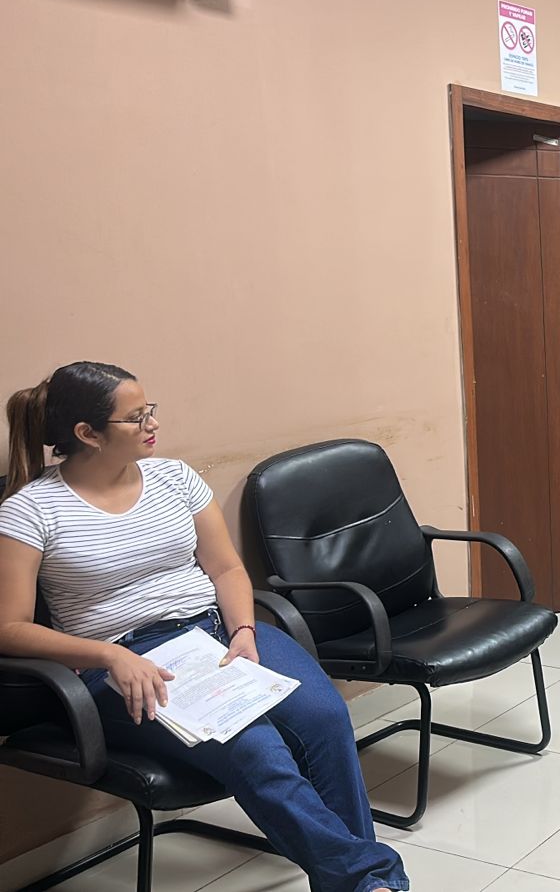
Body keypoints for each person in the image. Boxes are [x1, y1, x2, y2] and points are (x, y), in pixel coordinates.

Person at [0, 362, 408, 892]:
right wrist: (110, 656)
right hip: (123, 664)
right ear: (88, 433)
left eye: (149, 410)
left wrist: (243, 632)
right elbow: (9, 627)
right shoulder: (31, 511)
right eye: (135, 417)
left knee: (324, 716)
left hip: (213, 633)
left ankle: (357, 882)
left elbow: (227, 569)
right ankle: (369, 881)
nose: (152, 424)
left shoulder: (175, 478)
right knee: (255, 748)